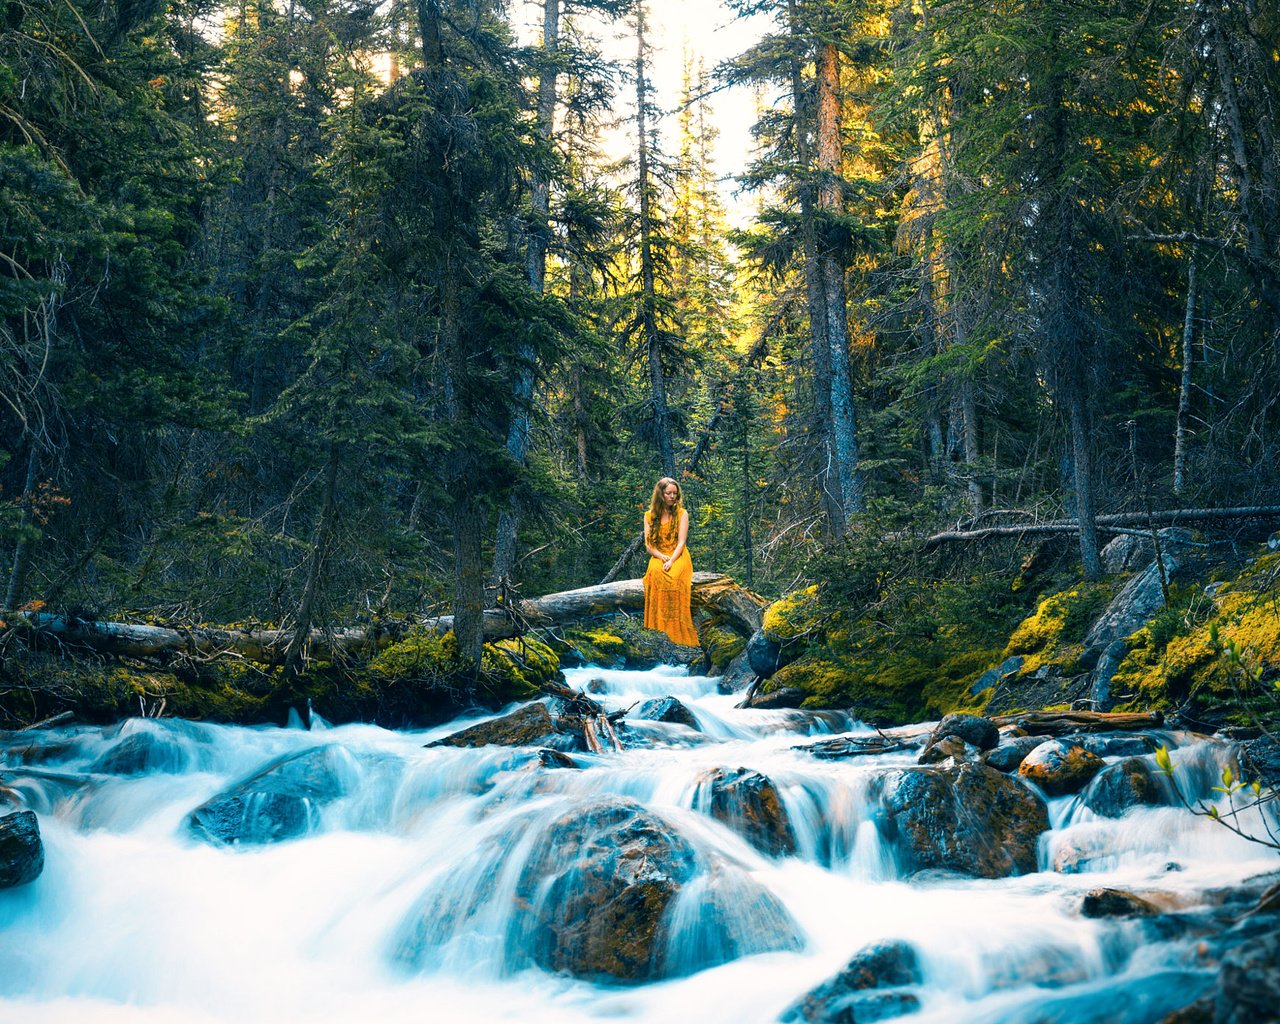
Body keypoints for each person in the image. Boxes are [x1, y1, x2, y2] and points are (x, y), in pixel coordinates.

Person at [642, 476, 699, 648]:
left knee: (674, 577)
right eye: (668, 493)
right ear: (661, 495)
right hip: (659, 554)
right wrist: (661, 557)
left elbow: (681, 542)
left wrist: (671, 559)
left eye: (675, 493)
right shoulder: (649, 516)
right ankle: (659, 630)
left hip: (678, 555)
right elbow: (649, 545)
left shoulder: (682, 514)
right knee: (656, 574)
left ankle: (677, 632)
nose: (672, 497)